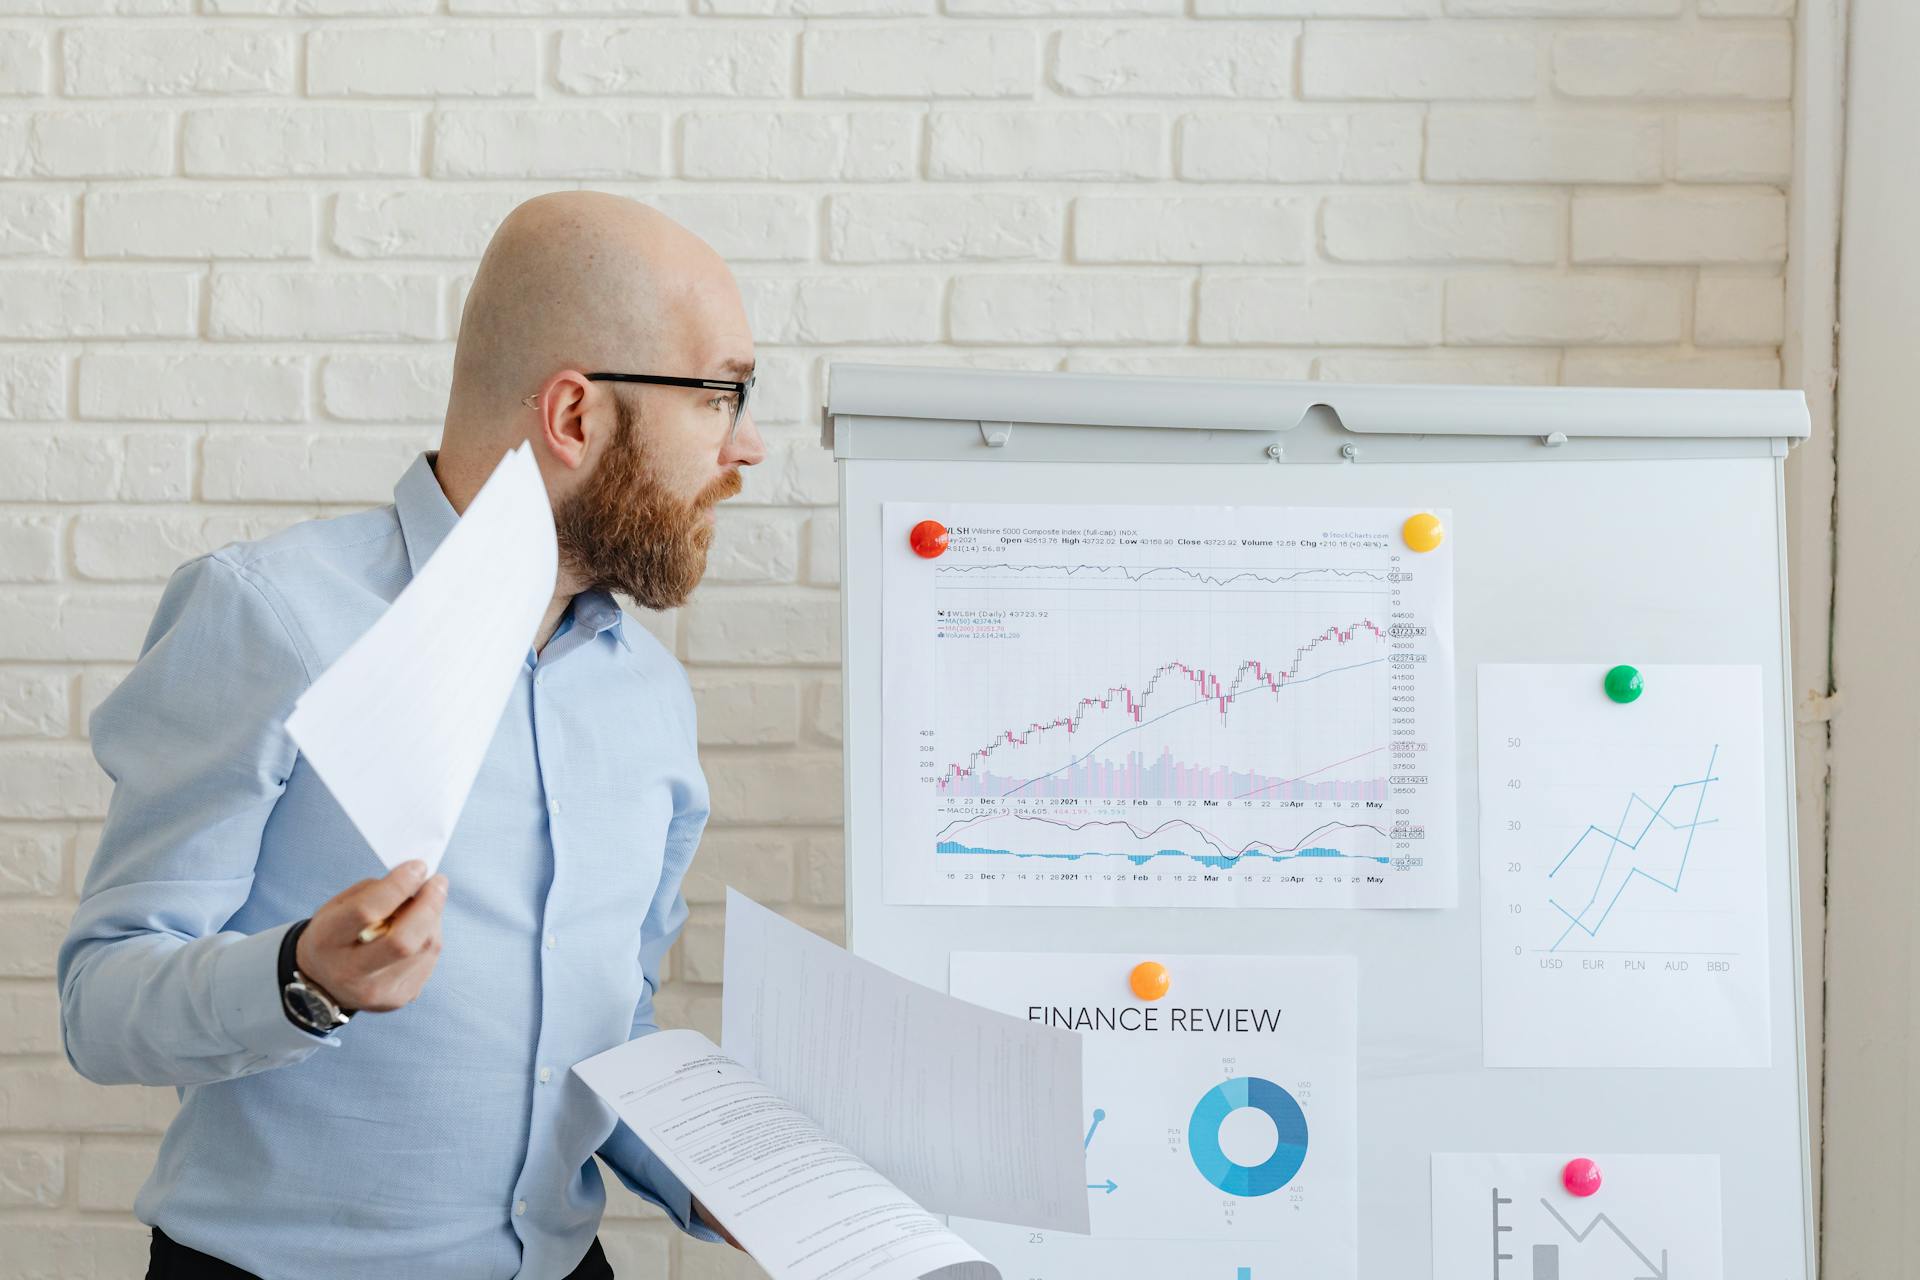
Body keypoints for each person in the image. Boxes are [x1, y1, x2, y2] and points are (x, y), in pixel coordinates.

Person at [55, 191, 764, 1279]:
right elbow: (100, 1002)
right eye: (723, 393)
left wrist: (701, 1173)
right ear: (574, 416)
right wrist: (304, 977)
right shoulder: (272, 615)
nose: (747, 446)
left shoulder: (651, 701)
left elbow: (600, 1019)